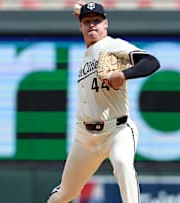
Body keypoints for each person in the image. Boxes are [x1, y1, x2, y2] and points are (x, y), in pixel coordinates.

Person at [47, 1, 160, 203]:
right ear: (80, 26)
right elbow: (86, 18)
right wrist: (83, 12)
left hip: (117, 130)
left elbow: (151, 62)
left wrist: (124, 75)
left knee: (123, 164)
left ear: (106, 24)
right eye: (87, 22)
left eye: (97, 21)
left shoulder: (112, 45)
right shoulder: (89, 51)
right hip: (85, 137)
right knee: (65, 194)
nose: (92, 25)